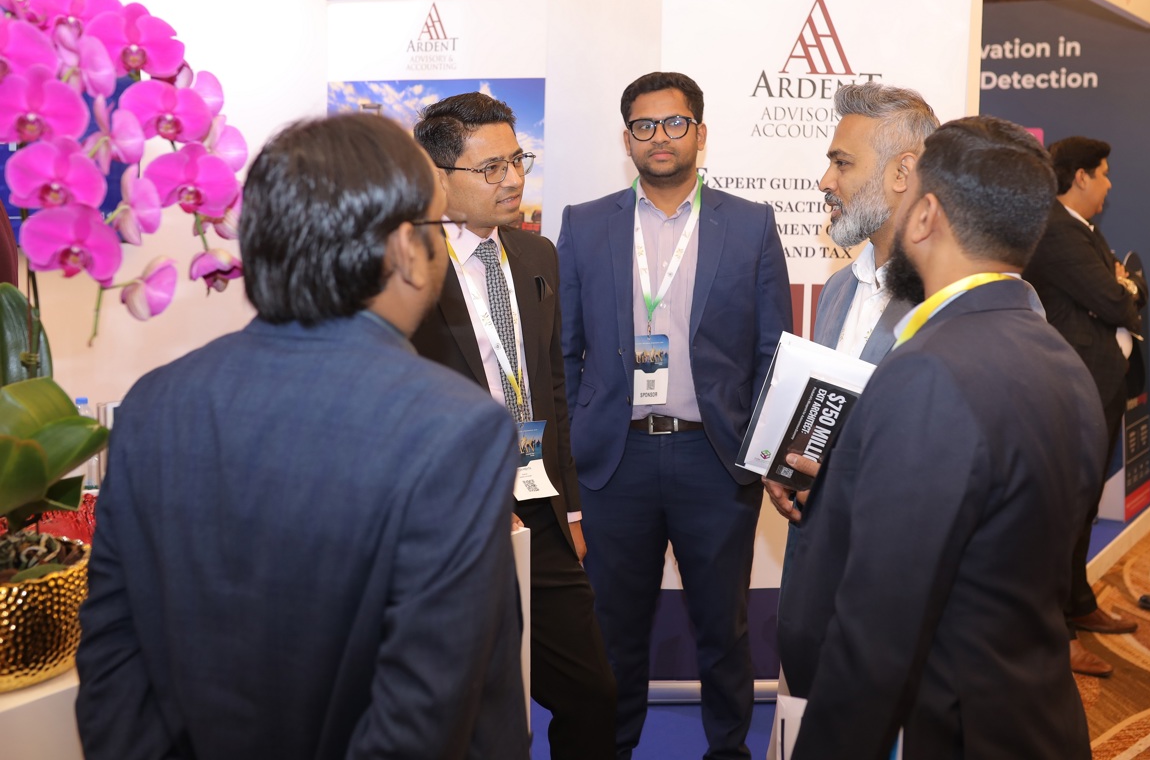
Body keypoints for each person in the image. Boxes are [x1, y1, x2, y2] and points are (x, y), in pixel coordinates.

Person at [75, 114, 528, 759]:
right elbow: (424, 715)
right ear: (406, 248)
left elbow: (113, 664)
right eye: (437, 228)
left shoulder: (155, 405)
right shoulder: (454, 430)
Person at [776, 115, 1106, 759]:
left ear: (925, 216)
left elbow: (878, 634)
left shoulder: (927, 371)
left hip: (955, 730)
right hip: (1038, 720)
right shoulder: (1065, 363)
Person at [558, 71, 792, 760]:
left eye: (674, 123)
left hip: (713, 459)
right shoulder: (586, 223)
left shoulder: (750, 224)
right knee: (613, 632)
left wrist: (764, 452)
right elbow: (565, 350)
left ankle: (728, 752)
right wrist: (570, 456)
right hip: (614, 461)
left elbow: (772, 350)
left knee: (724, 629)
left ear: (700, 132)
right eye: (644, 125)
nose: (659, 137)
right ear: (627, 138)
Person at [410, 92, 617, 759]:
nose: (513, 179)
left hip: (540, 507)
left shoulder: (536, 256)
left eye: (517, 160)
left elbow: (551, 386)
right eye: (490, 168)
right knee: (473, 711)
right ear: (439, 177)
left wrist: (571, 509)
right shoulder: (408, 266)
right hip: (453, 522)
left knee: (592, 696)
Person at [764, 82, 938, 525]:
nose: (825, 182)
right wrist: (789, 466)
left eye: (842, 163)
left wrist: (845, 484)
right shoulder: (838, 288)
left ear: (903, 172)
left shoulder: (954, 297)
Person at [1023, 136, 1146, 677]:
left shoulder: (1082, 228)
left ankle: (1078, 602)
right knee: (1067, 511)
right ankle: (1057, 632)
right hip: (1076, 387)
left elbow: (1121, 288)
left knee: (1085, 505)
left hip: (1100, 381)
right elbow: (1115, 298)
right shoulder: (1056, 229)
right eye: (1104, 173)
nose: (1109, 184)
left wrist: (1123, 287)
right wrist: (1126, 289)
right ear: (1080, 177)